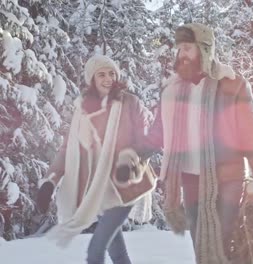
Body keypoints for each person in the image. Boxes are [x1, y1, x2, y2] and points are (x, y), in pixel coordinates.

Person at [158, 23, 253, 263]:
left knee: (222, 243)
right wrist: (133, 153)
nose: (182, 54)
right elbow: (158, 132)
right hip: (190, 178)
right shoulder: (173, 89)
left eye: (187, 48)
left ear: (205, 49)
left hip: (228, 178)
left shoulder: (231, 83)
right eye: (179, 49)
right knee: (199, 242)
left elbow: (251, 132)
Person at [36, 54, 161, 264]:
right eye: (101, 74)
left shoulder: (130, 103)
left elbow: (148, 140)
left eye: (112, 73)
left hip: (125, 185)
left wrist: (128, 161)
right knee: (118, 253)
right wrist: (50, 182)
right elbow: (67, 150)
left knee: (95, 250)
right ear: (91, 79)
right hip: (99, 191)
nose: (108, 78)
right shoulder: (83, 112)